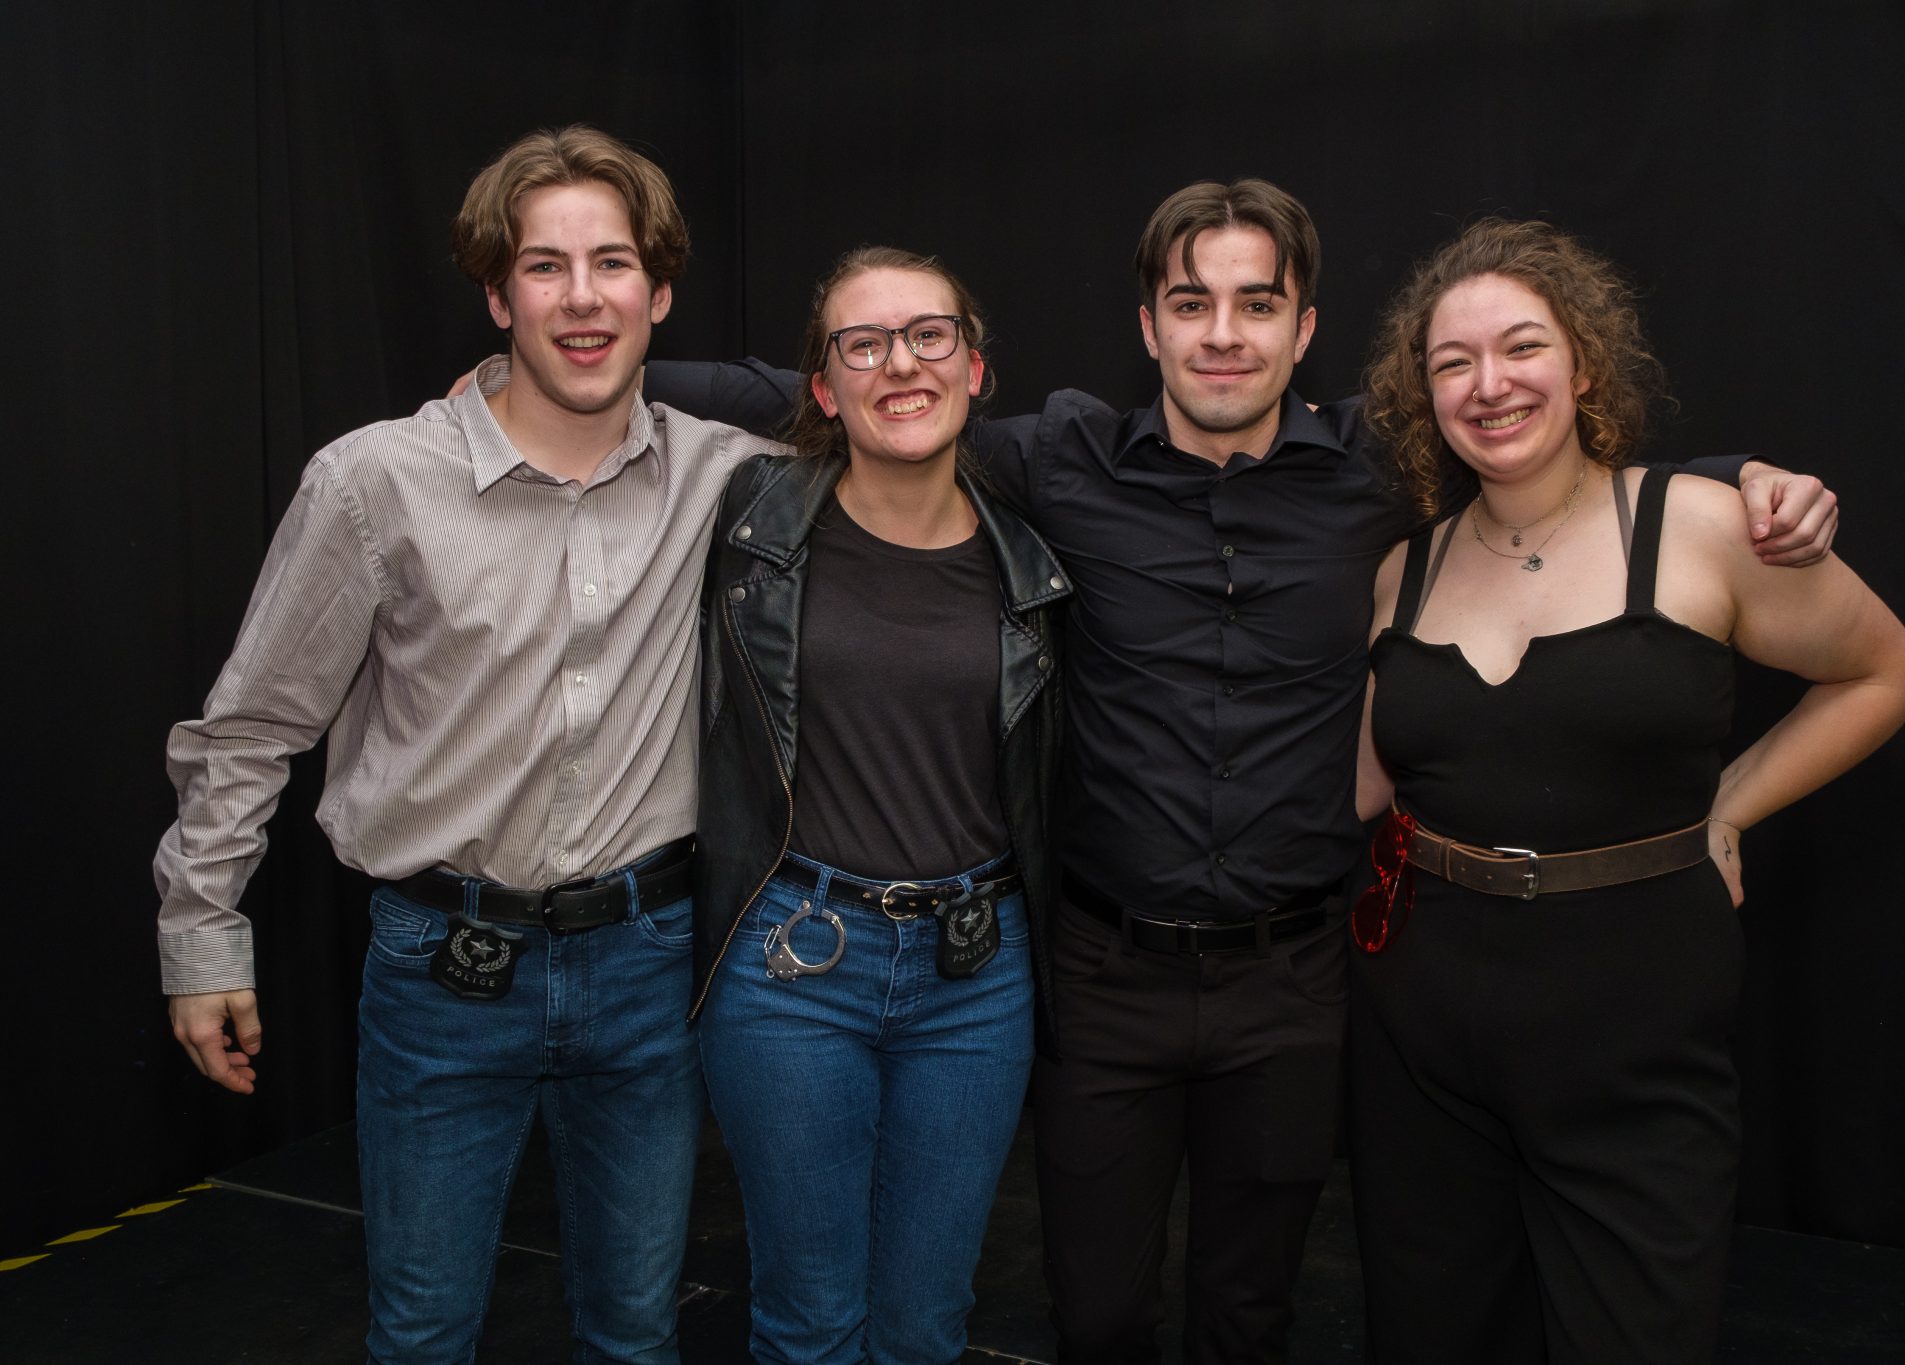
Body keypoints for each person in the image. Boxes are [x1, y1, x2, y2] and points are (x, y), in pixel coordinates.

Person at [642, 180, 1839, 1364]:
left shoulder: (1384, 472)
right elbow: (857, 388)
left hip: (1294, 981)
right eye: (1190, 303)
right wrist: (592, 365)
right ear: (1148, 327)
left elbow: (1557, 465)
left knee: (1248, 1315)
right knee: (1095, 1317)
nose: (1222, 334)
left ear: (1302, 329)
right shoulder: (1060, 460)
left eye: (1256, 304)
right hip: (1103, 972)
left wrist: (1742, 479)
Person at [154, 126, 770, 1364]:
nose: (581, 296)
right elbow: (253, 727)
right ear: (497, 296)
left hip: (650, 968)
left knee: (635, 1331)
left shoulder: (730, 477)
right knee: (424, 1333)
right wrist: (200, 933)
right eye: (544, 268)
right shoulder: (372, 483)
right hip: (442, 970)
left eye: (612, 265)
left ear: (660, 293)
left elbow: (878, 398)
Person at [1347, 218, 1905, 1363]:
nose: (1488, 383)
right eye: (1452, 362)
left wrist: (1728, 806)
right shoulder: (1401, 571)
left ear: (1582, 364)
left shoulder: (1703, 528)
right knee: (1429, 1332)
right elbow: (1365, 785)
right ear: (1423, 396)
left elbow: (1885, 672)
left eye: (1521, 346)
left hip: (1635, 1018)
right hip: (1420, 1020)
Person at [687, 246, 1069, 1364]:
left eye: (927, 335)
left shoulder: (1038, 563)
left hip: (976, 976)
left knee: (924, 1325)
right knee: (809, 1321)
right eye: (863, 345)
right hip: (792, 963)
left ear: (974, 367)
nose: (900, 364)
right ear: (822, 389)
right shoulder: (748, 526)